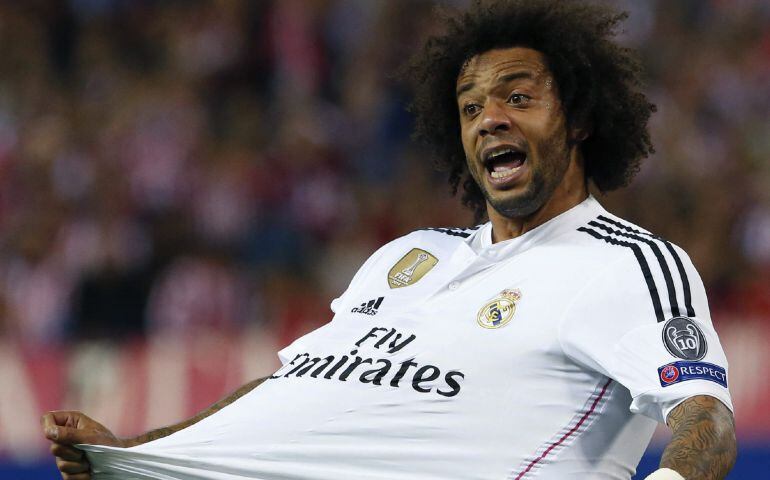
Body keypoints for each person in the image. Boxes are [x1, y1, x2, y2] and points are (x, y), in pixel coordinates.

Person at [42, 1, 736, 479]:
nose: (490, 119)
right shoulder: (407, 258)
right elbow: (290, 392)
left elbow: (707, 418)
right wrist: (139, 453)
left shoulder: (626, 263)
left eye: (518, 98)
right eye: (470, 108)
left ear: (580, 119)